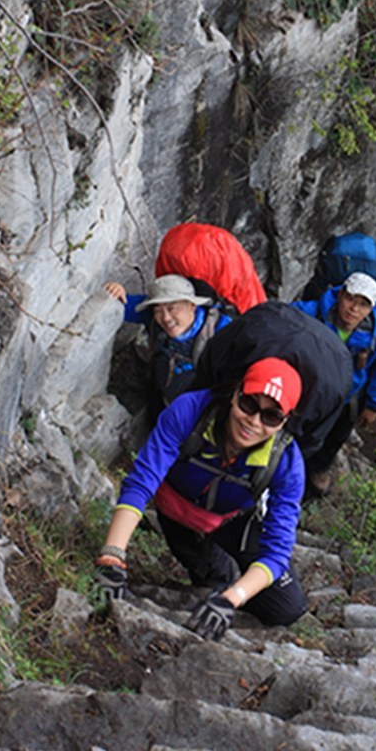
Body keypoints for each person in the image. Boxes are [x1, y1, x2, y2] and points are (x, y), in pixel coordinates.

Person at [93, 357, 308, 639]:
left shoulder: (286, 462)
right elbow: (142, 481)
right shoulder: (191, 411)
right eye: (249, 404)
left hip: (233, 522)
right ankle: (212, 571)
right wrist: (112, 556)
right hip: (177, 512)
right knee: (210, 582)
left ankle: (227, 584)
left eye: (270, 416)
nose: (254, 421)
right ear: (235, 394)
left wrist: (232, 598)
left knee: (286, 606)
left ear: (284, 422)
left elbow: (278, 550)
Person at [293, 272, 376, 495]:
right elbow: (286, 318)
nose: (353, 309)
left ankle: (318, 468)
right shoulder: (315, 312)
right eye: (350, 299)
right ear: (340, 295)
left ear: (370, 308)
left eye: (362, 305)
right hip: (308, 387)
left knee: (336, 434)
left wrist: (374, 405)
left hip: (346, 395)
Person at [104, 274, 232, 416]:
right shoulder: (152, 316)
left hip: (204, 410)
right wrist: (115, 290)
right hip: (167, 400)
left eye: (172, 308)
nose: (165, 318)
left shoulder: (222, 330)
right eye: (158, 310)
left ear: (192, 306)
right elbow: (121, 304)